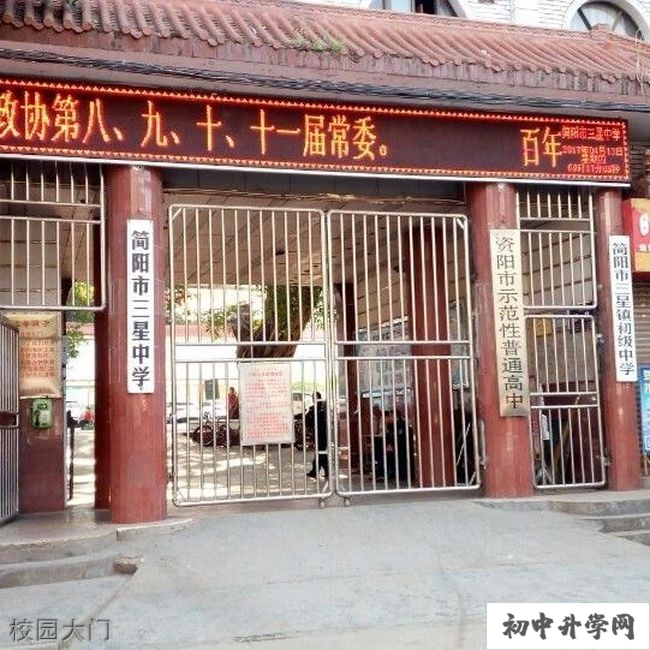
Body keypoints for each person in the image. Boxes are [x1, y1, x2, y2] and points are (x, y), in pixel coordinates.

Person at [306, 391, 329, 480]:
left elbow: (309, 419)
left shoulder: (319, 408)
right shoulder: (317, 408)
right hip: (321, 433)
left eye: (314, 398)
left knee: (320, 452)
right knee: (321, 453)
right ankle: (325, 470)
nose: (313, 399)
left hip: (321, 433)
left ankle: (315, 471)